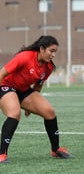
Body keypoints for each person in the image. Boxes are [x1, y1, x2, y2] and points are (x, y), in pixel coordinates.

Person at [0, 35, 72, 163]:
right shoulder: (25, 57)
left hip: (23, 90)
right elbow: (2, 73)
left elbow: (38, 85)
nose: (53, 55)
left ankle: (55, 149)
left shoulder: (48, 67)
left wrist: (31, 107)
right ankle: (2, 154)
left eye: (55, 51)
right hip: (5, 86)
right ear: (42, 49)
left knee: (49, 112)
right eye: (51, 51)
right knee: (14, 113)